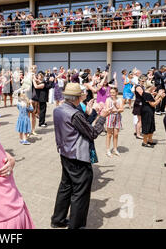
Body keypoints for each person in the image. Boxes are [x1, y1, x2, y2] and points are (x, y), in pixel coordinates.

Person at [51, 83, 110, 229]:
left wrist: (92, 113)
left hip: (65, 153)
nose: (82, 98)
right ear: (76, 98)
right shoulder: (74, 114)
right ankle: (76, 225)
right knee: (80, 193)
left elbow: (81, 125)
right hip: (77, 156)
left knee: (66, 186)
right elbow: (92, 133)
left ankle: (58, 219)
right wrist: (102, 117)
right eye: (81, 96)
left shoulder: (59, 109)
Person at [141, 81, 166, 148]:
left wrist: (158, 95)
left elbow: (153, 100)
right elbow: (153, 104)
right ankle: (144, 142)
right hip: (147, 112)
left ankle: (150, 140)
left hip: (149, 112)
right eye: (153, 86)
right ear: (150, 87)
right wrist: (161, 98)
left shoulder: (148, 93)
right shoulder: (147, 94)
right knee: (147, 126)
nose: (154, 88)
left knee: (151, 126)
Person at [105, 87, 124, 157]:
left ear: (116, 93)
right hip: (110, 117)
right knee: (109, 134)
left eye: (113, 93)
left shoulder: (120, 99)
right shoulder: (108, 100)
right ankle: (108, 150)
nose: (112, 94)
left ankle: (115, 149)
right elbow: (107, 109)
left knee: (116, 134)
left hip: (118, 117)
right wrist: (115, 110)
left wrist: (116, 106)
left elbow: (122, 109)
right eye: (111, 93)